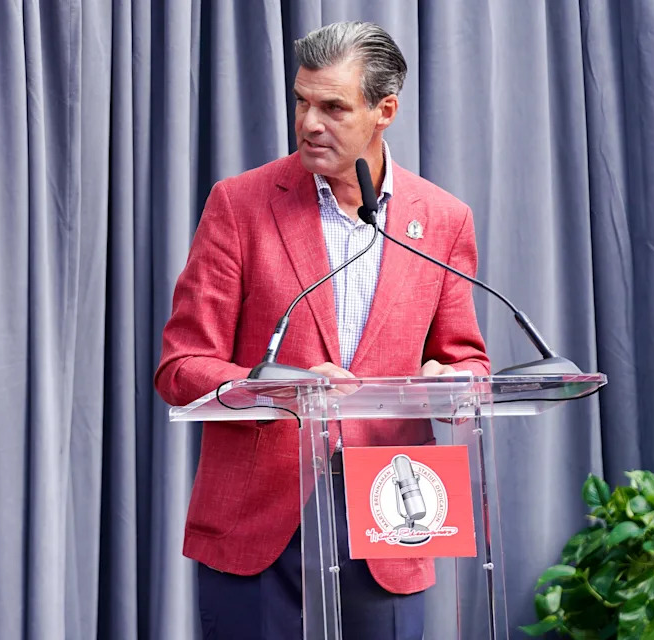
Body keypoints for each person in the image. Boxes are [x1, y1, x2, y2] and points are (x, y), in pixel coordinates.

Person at [155, 21, 490, 640]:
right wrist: (286, 390)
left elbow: (467, 360)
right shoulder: (240, 205)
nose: (310, 122)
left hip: (390, 511)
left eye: (333, 106)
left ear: (384, 111)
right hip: (257, 519)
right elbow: (182, 367)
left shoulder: (442, 219)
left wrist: (449, 381)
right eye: (302, 102)